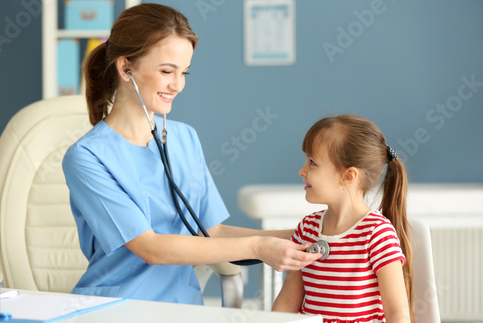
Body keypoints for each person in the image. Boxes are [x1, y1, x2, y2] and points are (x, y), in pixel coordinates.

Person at [62, 3, 320, 305]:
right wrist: (259, 247)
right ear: (125, 67)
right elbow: (151, 248)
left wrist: (309, 235)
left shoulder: (184, 138)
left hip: (182, 309)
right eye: (166, 71)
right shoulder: (86, 157)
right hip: (117, 308)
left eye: (183, 72)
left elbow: (212, 231)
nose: (178, 85)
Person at [272, 115, 414, 323]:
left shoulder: (376, 233)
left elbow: (397, 315)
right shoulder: (306, 229)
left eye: (312, 163)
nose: (302, 171)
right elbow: (287, 302)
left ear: (348, 177)